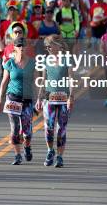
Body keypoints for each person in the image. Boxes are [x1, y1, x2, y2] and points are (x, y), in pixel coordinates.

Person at [36, 35, 73, 168]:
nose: (48, 48)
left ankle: (60, 157)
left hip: (63, 98)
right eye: (46, 46)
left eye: (50, 45)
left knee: (61, 129)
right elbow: (43, 80)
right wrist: (39, 98)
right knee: (49, 127)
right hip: (49, 98)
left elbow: (70, 78)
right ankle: (50, 151)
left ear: (58, 45)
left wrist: (71, 97)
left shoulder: (67, 59)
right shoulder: (46, 60)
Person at [0, 37, 35, 165]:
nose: (21, 48)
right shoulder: (10, 63)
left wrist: (40, 98)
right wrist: (0, 99)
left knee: (27, 131)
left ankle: (27, 147)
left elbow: (37, 81)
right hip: (12, 97)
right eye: (19, 46)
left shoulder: (32, 63)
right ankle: (17, 155)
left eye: (23, 45)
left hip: (27, 99)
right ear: (14, 48)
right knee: (14, 128)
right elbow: (4, 81)